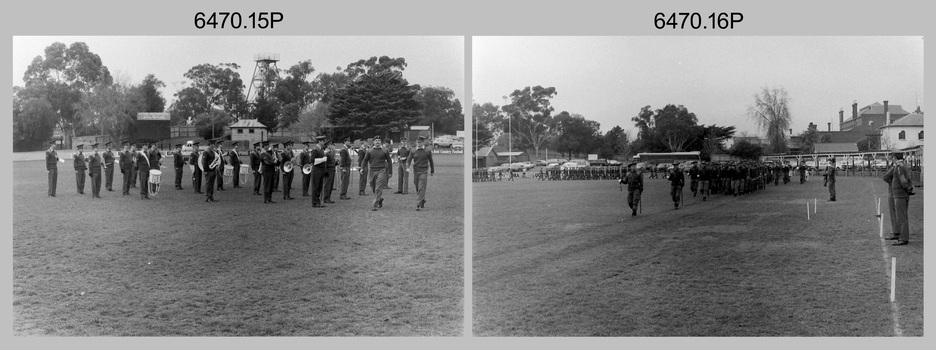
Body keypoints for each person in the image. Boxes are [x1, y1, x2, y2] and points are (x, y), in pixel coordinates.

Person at [883, 151, 913, 246]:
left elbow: (903, 180)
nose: (891, 158)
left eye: (892, 157)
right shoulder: (902, 165)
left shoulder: (899, 166)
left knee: (901, 217)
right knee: (901, 216)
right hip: (901, 194)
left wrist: (907, 189)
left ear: (895, 157)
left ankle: (903, 238)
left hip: (900, 194)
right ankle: (902, 235)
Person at [362, 136, 393, 211]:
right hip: (372, 171)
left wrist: (390, 172)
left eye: (379, 140)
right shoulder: (369, 150)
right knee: (372, 186)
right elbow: (365, 160)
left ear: (381, 142)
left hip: (381, 170)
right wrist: (362, 168)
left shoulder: (385, 150)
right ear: (373, 142)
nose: (377, 142)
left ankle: (375, 204)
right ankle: (380, 198)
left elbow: (389, 161)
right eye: (376, 140)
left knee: (378, 187)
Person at [406, 136, 434, 211]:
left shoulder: (427, 150)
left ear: (423, 142)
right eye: (418, 142)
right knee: (417, 186)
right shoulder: (413, 150)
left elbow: (431, 161)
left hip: (424, 171)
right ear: (416, 142)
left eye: (420, 142)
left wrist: (432, 170)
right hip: (416, 171)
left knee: (421, 187)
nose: (419, 144)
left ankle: (418, 204)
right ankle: (422, 199)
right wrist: (407, 167)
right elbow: (408, 160)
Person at [309, 136, 328, 207]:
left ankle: (318, 201)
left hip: (321, 170)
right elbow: (312, 160)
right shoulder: (315, 150)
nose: (323, 142)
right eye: (323, 141)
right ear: (319, 141)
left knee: (319, 186)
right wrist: (322, 159)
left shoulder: (321, 150)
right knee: (316, 186)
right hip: (316, 170)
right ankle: (315, 202)